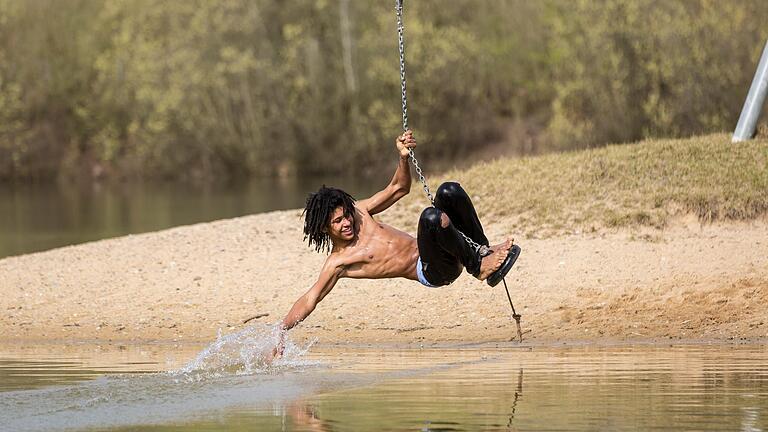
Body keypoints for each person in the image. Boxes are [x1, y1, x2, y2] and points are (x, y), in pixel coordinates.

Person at [271, 130, 517, 357]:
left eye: (346, 215)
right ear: (325, 228)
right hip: (434, 271)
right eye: (338, 221)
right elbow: (310, 298)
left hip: (447, 246)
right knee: (430, 218)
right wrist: (281, 330)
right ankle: (479, 267)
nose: (346, 222)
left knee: (449, 191)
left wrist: (402, 157)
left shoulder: (360, 212)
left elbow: (400, 188)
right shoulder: (339, 262)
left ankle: (482, 251)